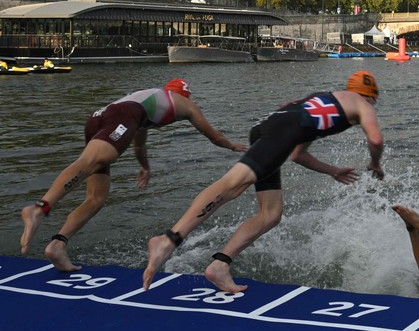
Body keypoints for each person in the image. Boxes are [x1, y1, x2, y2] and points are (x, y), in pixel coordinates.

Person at [142, 71, 385, 293]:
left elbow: (297, 154)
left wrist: (332, 170)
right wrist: (375, 163)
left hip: (269, 126)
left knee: (271, 213)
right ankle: (168, 239)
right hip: (283, 132)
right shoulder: (363, 104)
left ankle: (220, 265)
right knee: (232, 185)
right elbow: (375, 139)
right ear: (370, 95)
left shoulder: (325, 99)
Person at [19, 79, 246, 272]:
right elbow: (213, 136)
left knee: (96, 197)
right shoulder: (184, 103)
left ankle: (58, 245)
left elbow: (139, 144)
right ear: (184, 94)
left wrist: (145, 168)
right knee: (89, 162)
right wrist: (232, 146)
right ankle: (40, 208)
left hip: (99, 118)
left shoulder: (147, 102)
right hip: (119, 117)